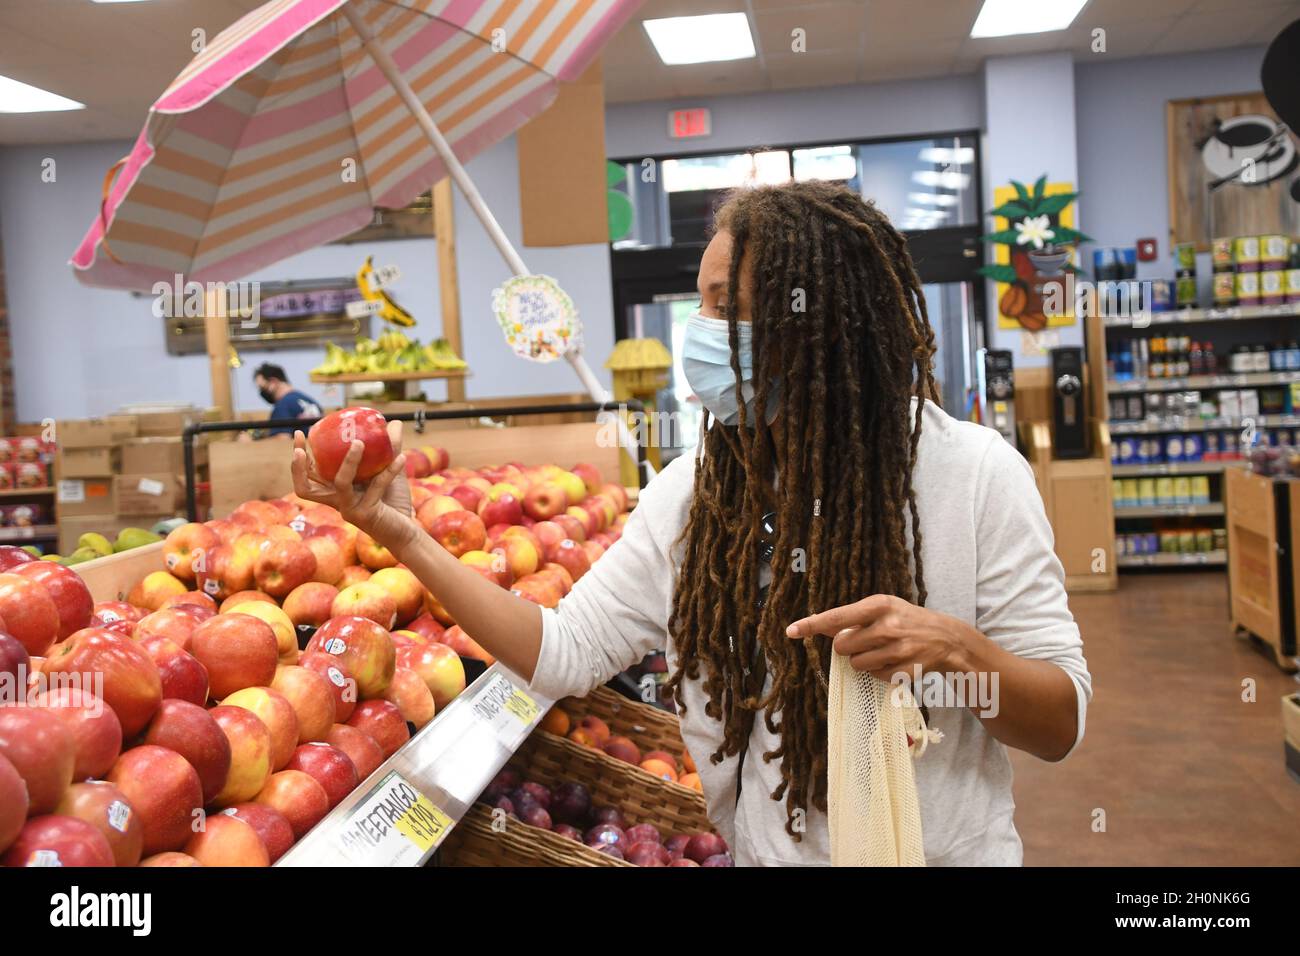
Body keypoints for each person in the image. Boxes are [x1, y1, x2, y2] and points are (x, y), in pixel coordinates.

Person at [290, 180, 1091, 867]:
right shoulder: (695, 498)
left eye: (726, 308)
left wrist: (958, 653)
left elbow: (1058, 723)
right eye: (701, 301)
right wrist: (402, 534)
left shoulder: (979, 478)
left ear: (819, 325)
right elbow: (563, 652)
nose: (700, 332)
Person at [254, 363, 322, 437]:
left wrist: (250, 443)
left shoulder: (282, 406)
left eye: (263, 388)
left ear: (273, 382)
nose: (262, 392)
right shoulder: (310, 401)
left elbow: (281, 440)